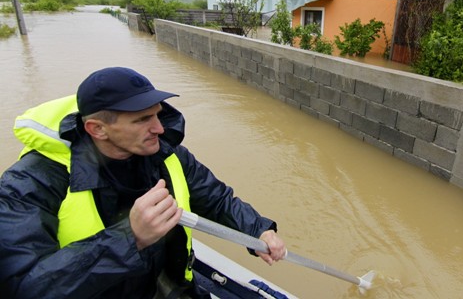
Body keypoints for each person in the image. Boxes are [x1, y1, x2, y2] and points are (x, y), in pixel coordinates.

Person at [0, 66, 286, 298]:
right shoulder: (29, 183)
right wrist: (130, 237)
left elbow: (216, 198)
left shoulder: (164, 151)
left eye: (158, 114)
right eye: (142, 119)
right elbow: (24, 286)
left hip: (165, 285)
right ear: (97, 129)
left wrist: (257, 231)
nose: (160, 128)